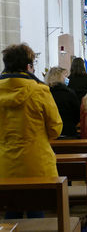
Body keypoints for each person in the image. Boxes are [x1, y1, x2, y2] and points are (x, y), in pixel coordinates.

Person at [0, 43, 62, 218]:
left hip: (4, 164)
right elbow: (55, 128)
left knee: (10, 210)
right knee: (36, 209)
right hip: (36, 162)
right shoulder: (39, 91)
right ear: (28, 67)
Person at [45, 67, 81, 137]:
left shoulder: (45, 93)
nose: (66, 78)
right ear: (60, 77)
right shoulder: (69, 93)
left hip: (49, 132)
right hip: (68, 132)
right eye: (65, 76)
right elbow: (77, 114)